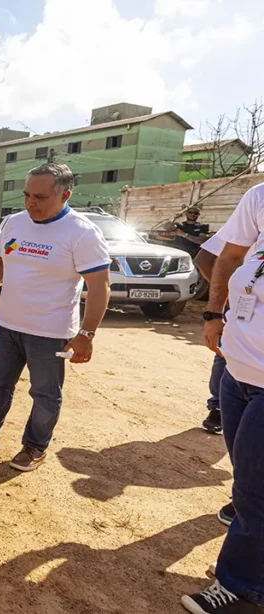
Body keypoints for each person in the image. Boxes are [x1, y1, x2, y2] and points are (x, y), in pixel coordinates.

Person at [0, 163, 111, 473]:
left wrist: (87, 334)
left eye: (40, 197)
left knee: (45, 393)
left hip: (52, 333)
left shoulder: (82, 232)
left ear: (65, 195)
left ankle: (35, 446)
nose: (31, 203)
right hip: (8, 325)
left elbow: (100, 286)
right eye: (27, 195)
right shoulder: (14, 223)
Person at [190, 181, 264, 613]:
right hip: (237, 373)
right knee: (246, 478)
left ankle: (241, 590)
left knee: (255, 492)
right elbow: (229, 257)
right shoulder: (259, 196)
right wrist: (215, 312)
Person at [194, 232, 228, 436]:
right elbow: (204, 259)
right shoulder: (250, 217)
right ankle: (218, 408)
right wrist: (226, 295)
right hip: (244, 307)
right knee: (225, 355)